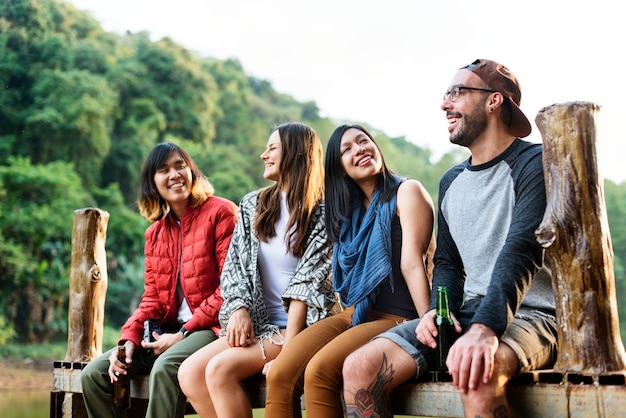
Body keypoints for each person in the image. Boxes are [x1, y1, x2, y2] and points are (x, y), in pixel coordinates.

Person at [342, 58, 558, 418]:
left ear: (494, 100)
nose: (445, 104)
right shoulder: (451, 181)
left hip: (532, 314)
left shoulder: (535, 163)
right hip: (468, 313)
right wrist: (433, 313)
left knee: (476, 375)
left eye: (457, 92)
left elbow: (522, 248)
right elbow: (449, 264)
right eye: (446, 94)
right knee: (360, 368)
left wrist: (486, 329)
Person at [263, 124, 435, 418]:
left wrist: (427, 329)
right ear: (339, 167)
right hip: (356, 313)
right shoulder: (346, 212)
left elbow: (412, 264)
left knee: (319, 372)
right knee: (281, 373)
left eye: (363, 141)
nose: (360, 150)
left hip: (399, 315)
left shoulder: (407, 191)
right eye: (347, 149)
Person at [177, 122, 336, 418]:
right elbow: (233, 267)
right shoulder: (254, 203)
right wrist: (238, 308)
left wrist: (289, 355)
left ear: (295, 153)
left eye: (272, 148)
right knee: (189, 373)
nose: (264, 154)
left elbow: (307, 287)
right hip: (260, 325)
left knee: (219, 370)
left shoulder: (325, 212)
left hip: (299, 328)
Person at [80, 142, 238, 418]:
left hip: (212, 327)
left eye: (180, 166)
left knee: (166, 367)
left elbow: (230, 288)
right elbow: (152, 297)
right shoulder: (155, 234)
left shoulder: (221, 213)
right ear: (152, 183)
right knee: (94, 375)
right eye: (164, 170)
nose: (174, 174)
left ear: (193, 173)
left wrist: (183, 333)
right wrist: (128, 337)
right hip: (166, 329)